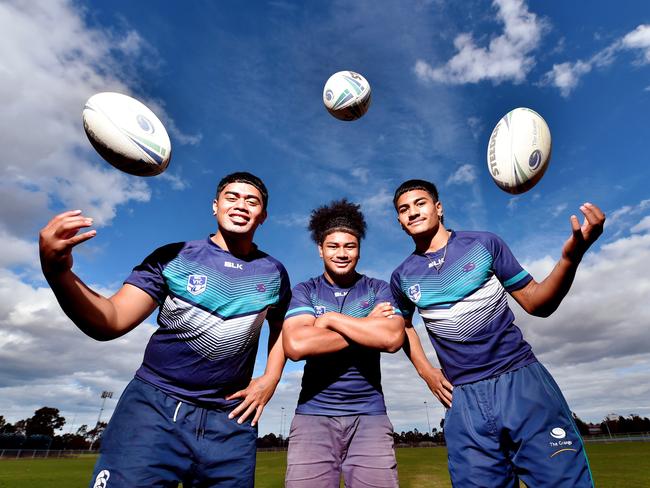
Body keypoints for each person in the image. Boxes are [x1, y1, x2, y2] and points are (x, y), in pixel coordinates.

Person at [39, 172, 291, 488]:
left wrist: (271, 378)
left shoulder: (274, 273)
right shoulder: (173, 256)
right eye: (232, 197)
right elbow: (111, 320)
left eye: (251, 201)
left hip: (231, 419)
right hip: (154, 409)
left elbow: (282, 327)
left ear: (263, 216)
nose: (241, 205)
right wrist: (58, 271)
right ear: (215, 206)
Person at [390, 179, 604, 487]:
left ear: (438, 208)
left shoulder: (484, 243)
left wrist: (571, 258)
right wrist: (426, 371)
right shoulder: (401, 276)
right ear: (399, 221)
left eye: (420, 203)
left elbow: (535, 302)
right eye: (403, 209)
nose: (412, 212)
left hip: (521, 383)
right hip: (462, 399)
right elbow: (404, 325)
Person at [282, 199, 405, 488]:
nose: (341, 253)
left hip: (370, 415)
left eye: (349, 246)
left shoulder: (378, 288)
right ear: (320, 249)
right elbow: (297, 345)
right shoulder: (305, 291)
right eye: (333, 246)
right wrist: (366, 324)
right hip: (313, 414)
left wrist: (329, 320)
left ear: (359, 249)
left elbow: (391, 338)